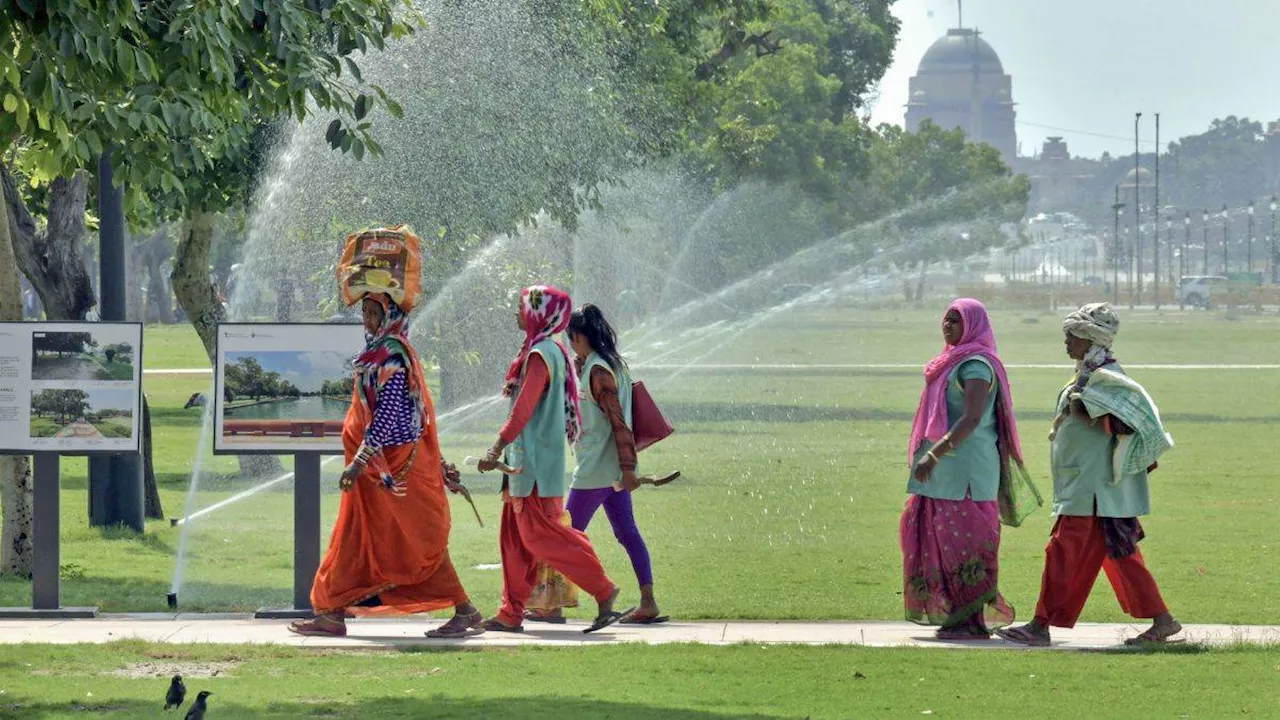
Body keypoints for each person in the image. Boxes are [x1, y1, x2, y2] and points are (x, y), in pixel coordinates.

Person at [288, 292, 484, 639]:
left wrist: (359, 461)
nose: (366, 318)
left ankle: (465, 610)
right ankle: (331, 612)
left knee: (414, 542)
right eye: (364, 311)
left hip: (395, 469)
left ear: (389, 315)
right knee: (355, 536)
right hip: (377, 473)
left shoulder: (393, 354)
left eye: (373, 312)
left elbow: (391, 414)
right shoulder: (375, 352)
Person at [998, 303, 1179, 647]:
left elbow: (1133, 421)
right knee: (1122, 554)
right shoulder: (1089, 375)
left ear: (1090, 338)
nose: (1066, 341)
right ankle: (1163, 621)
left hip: (1095, 490)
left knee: (1063, 551)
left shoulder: (1109, 379)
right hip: (1092, 488)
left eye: (1073, 335)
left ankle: (1039, 626)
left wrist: (1089, 407)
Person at [477, 285, 627, 634]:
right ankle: (510, 612)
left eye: (522, 307)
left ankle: (604, 589)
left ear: (538, 314)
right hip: (524, 465)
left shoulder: (541, 355)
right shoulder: (549, 351)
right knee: (513, 540)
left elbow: (524, 411)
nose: (517, 313)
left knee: (541, 537)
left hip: (532, 467)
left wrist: (494, 449)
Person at [524, 304, 667, 625]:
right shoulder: (611, 366)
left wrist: (629, 468)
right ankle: (648, 601)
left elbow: (618, 422)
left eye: (572, 338)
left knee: (564, 537)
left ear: (580, 336)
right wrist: (625, 470)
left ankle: (553, 606)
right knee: (627, 533)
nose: (571, 344)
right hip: (612, 470)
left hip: (596, 471)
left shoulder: (598, 372)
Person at [902, 298, 1035, 640]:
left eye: (955, 321)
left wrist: (935, 454)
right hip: (941, 474)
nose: (947, 326)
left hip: (966, 474)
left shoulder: (976, 366)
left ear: (973, 326)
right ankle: (954, 615)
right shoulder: (947, 362)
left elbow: (972, 418)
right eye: (945, 320)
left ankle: (970, 620)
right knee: (940, 542)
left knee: (967, 546)